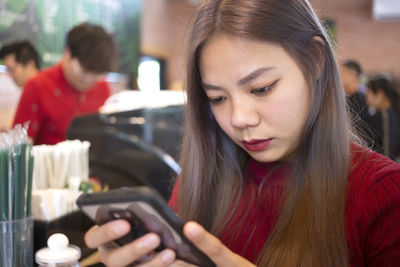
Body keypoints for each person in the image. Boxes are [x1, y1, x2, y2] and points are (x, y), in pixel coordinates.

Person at [84, 1, 400, 266]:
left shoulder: (382, 194)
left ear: (316, 61)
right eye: (217, 99)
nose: (239, 119)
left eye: (261, 89)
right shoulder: (203, 173)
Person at [12, 22, 117, 145]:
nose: (89, 80)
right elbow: (19, 146)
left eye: (97, 75)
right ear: (68, 53)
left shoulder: (103, 88)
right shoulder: (37, 86)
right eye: (84, 70)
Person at [366, 76, 400, 159]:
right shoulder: (392, 113)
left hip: (385, 167)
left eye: (368, 94)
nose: (367, 99)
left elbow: (387, 151)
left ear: (380, 95)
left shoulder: (384, 116)